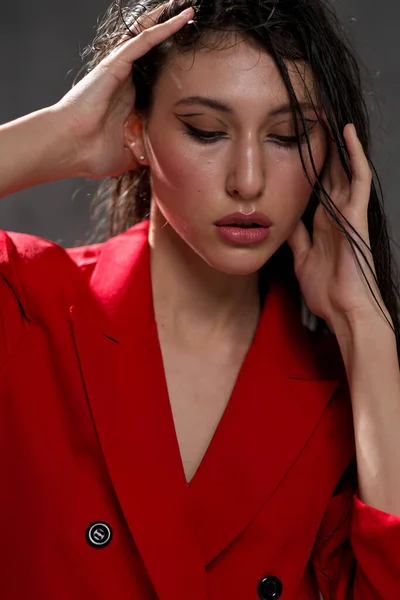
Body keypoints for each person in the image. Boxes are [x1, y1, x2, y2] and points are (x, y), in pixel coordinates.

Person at [0, 0, 399, 598]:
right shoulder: (30, 305)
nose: (248, 179)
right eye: (206, 131)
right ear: (135, 127)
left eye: (287, 137)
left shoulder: (350, 398)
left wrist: (365, 327)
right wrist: (62, 134)